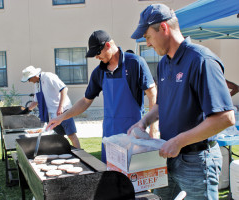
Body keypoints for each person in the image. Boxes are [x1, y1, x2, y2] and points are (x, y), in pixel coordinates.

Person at [128, 4, 235, 200]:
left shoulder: (201, 60)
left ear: (163, 28)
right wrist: (143, 122)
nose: (148, 44)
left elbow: (225, 118)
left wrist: (178, 141)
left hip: (197, 160)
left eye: (148, 36)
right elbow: (161, 105)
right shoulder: (163, 64)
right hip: (168, 156)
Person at [47, 30, 157, 163]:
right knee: (110, 177)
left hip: (133, 135)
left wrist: (153, 129)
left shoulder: (135, 63)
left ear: (108, 45)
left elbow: (153, 95)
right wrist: (62, 117)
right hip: (109, 136)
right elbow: (85, 101)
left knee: (132, 177)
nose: (96, 57)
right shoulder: (99, 73)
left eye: (98, 53)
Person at [21, 66, 80, 149]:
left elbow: (64, 89)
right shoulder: (36, 85)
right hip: (53, 115)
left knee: (71, 135)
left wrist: (61, 107)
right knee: (58, 137)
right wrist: (26, 110)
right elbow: (36, 101)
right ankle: (64, 154)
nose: (29, 81)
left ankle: (79, 153)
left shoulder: (48, 76)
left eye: (29, 79)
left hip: (64, 111)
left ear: (33, 76)